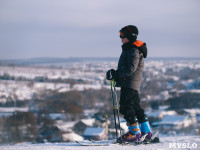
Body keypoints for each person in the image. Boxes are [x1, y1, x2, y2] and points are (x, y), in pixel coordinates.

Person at [106, 25, 151, 143]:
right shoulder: (131, 48)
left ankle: (134, 133)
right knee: (135, 107)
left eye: (122, 35)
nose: (120, 38)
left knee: (126, 107)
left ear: (130, 36)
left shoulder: (133, 50)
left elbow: (131, 68)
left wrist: (116, 74)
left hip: (129, 84)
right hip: (131, 84)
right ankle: (146, 132)